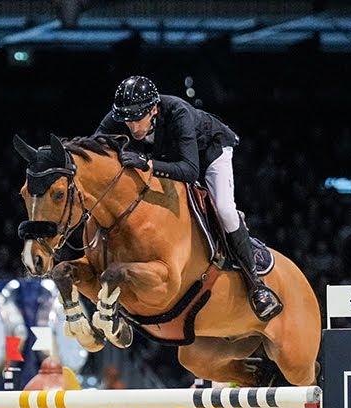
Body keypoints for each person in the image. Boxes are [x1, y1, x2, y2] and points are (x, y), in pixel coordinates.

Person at [96, 76, 283, 322]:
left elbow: (190, 171)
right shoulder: (119, 116)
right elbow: (95, 149)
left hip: (209, 154)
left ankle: (257, 286)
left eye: (136, 118)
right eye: (126, 119)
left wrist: (147, 164)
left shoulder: (178, 112)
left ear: (153, 109)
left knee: (225, 210)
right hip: (170, 157)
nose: (131, 126)